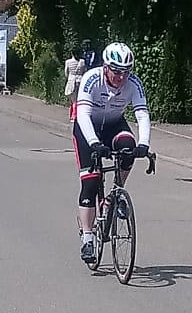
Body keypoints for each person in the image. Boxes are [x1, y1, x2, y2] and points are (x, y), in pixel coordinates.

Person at [72, 42, 151, 263]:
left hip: (115, 126)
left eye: (125, 72)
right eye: (116, 71)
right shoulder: (91, 78)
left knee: (128, 145)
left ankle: (114, 195)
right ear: (106, 67)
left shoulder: (133, 84)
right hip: (87, 128)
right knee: (90, 182)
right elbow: (83, 115)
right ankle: (87, 238)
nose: (120, 77)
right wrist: (94, 143)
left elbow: (142, 114)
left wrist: (143, 144)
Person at [64, 49, 85, 114]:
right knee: (79, 98)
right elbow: (84, 70)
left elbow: (66, 72)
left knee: (72, 98)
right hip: (80, 80)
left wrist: (69, 77)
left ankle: (73, 114)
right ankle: (77, 113)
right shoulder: (82, 61)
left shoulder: (68, 62)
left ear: (71, 53)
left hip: (71, 80)